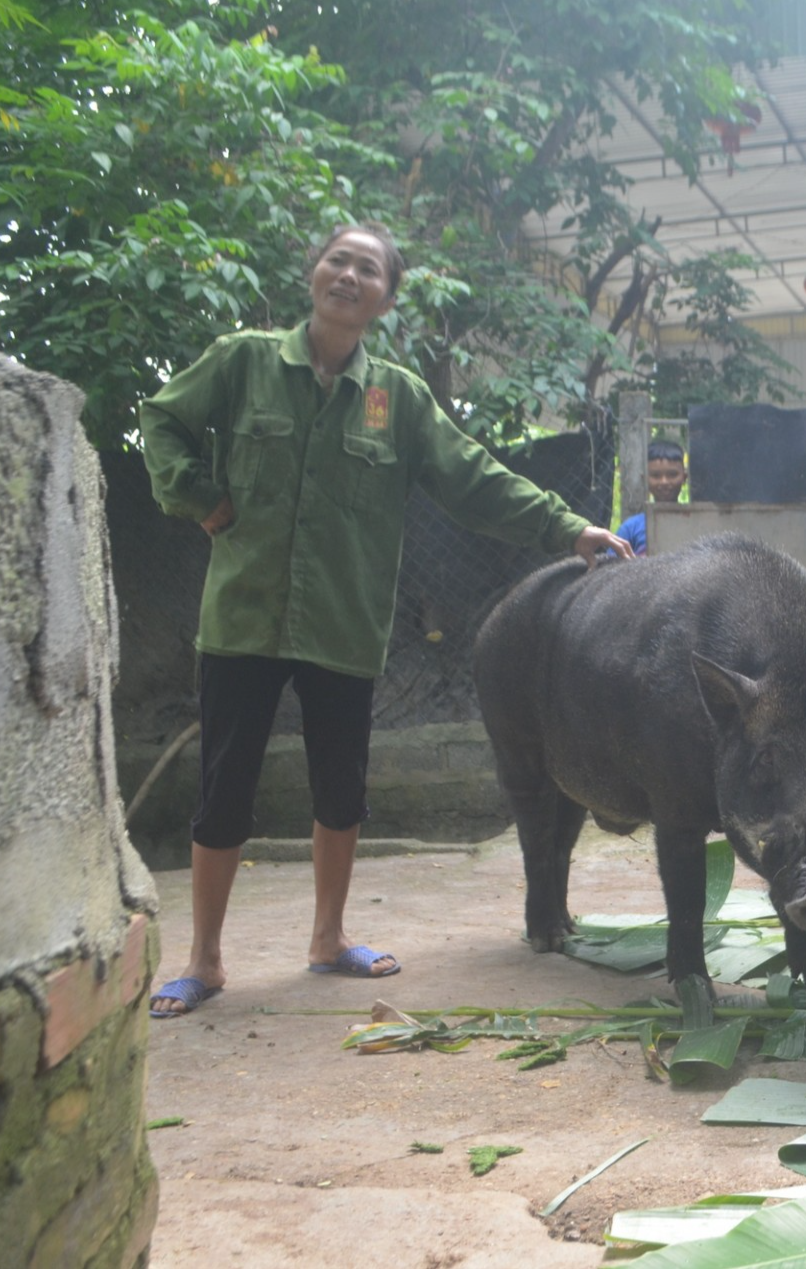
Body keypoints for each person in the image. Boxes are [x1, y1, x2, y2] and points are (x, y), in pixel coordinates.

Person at [140, 223, 634, 1017]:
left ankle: (329, 938)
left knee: (342, 790)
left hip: (344, 624)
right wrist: (196, 494)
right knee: (223, 789)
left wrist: (566, 527)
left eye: (367, 269)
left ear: (386, 298)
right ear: (314, 273)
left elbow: (472, 477)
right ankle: (204, 959)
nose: (348, 275)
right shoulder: (243, 362)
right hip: (243, 619)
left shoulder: (395, 399)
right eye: (337, 260)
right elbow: (161, 420)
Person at [613, 438, 687, 555]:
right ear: (645, 479)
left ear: (684, 478)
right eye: (656, 476)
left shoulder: (694, 521)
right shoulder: (631, 528)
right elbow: (613, 561)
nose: (664, 482)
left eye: (672, 475)